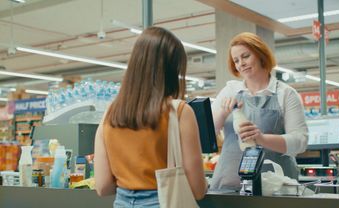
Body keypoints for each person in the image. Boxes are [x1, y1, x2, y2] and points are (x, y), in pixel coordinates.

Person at [94, 27, 207, 207]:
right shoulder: (179, 112)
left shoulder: (109, 114)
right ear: (173, 69)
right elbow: (197, 190)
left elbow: (103, 187)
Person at [210, 32, 308, 191]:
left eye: (245, 56)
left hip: (274, 186)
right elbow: (205, 134)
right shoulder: (230, 90)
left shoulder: (285, 94)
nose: (241, 63)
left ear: (260, 54)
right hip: (230, 184)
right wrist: (222, 113)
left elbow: (300, 141)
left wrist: (261, 139)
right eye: (236, 60)